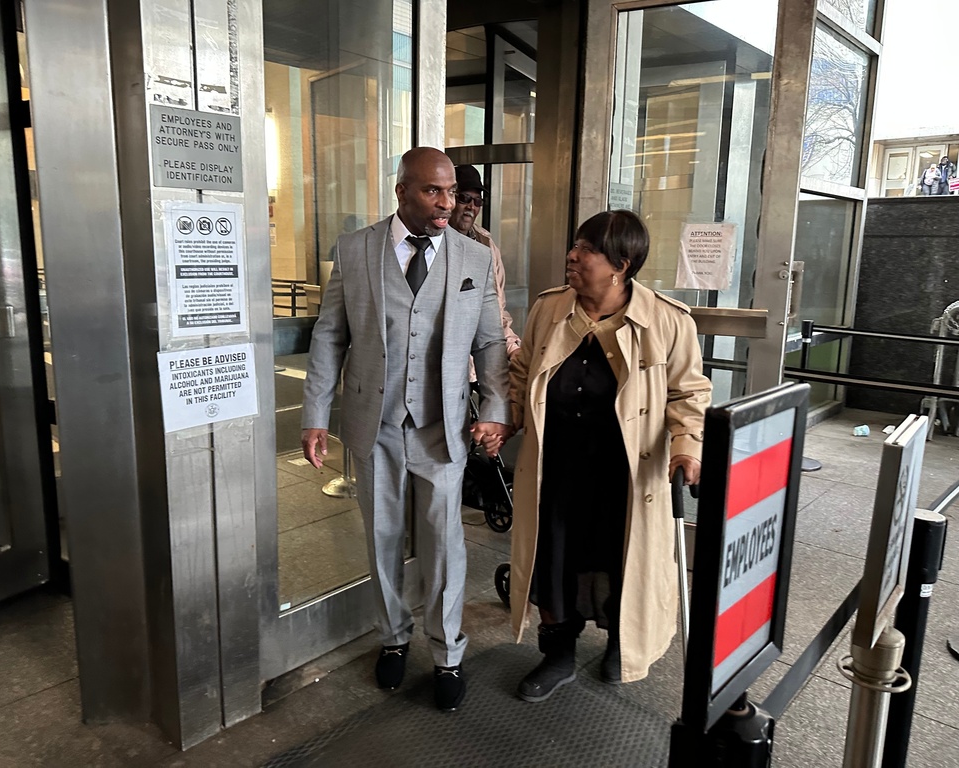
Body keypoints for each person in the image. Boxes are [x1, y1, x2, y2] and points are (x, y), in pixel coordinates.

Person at [301, 147, 511, 712]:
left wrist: (494, 407)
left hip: (442, 428)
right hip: (375, 423)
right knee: (383, 538)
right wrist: (316, 413)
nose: (449, 203)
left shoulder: (472, 257)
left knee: (445, 545)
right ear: (402, 191)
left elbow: (490, 341)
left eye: (452, 192)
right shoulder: (355, 249)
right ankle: (394, 639)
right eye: (434, 192)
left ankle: (447, 654)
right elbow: (330, 335)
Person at [506, 209, 711, 702]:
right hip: (555, 467)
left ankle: (624, 643)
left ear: (621, 264)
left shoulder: (667, 320)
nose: (572, 257)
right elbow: (520, 371)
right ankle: (557, 655)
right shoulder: (550, 309)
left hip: (626, 473)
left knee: (622, 561)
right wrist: (505, 419)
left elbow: (689, 394)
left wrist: (687, 448)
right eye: (575, 246)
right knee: (553, 560)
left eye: (587, 251)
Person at [448, 165, 522, 366]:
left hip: (479, 363)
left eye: (477, 201)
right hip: (442, 365)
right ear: (450, 198)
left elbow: (496, 309)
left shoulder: (486, 244)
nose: (471, 206)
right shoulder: (433, 243)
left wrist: (512, 347)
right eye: (464, 198)